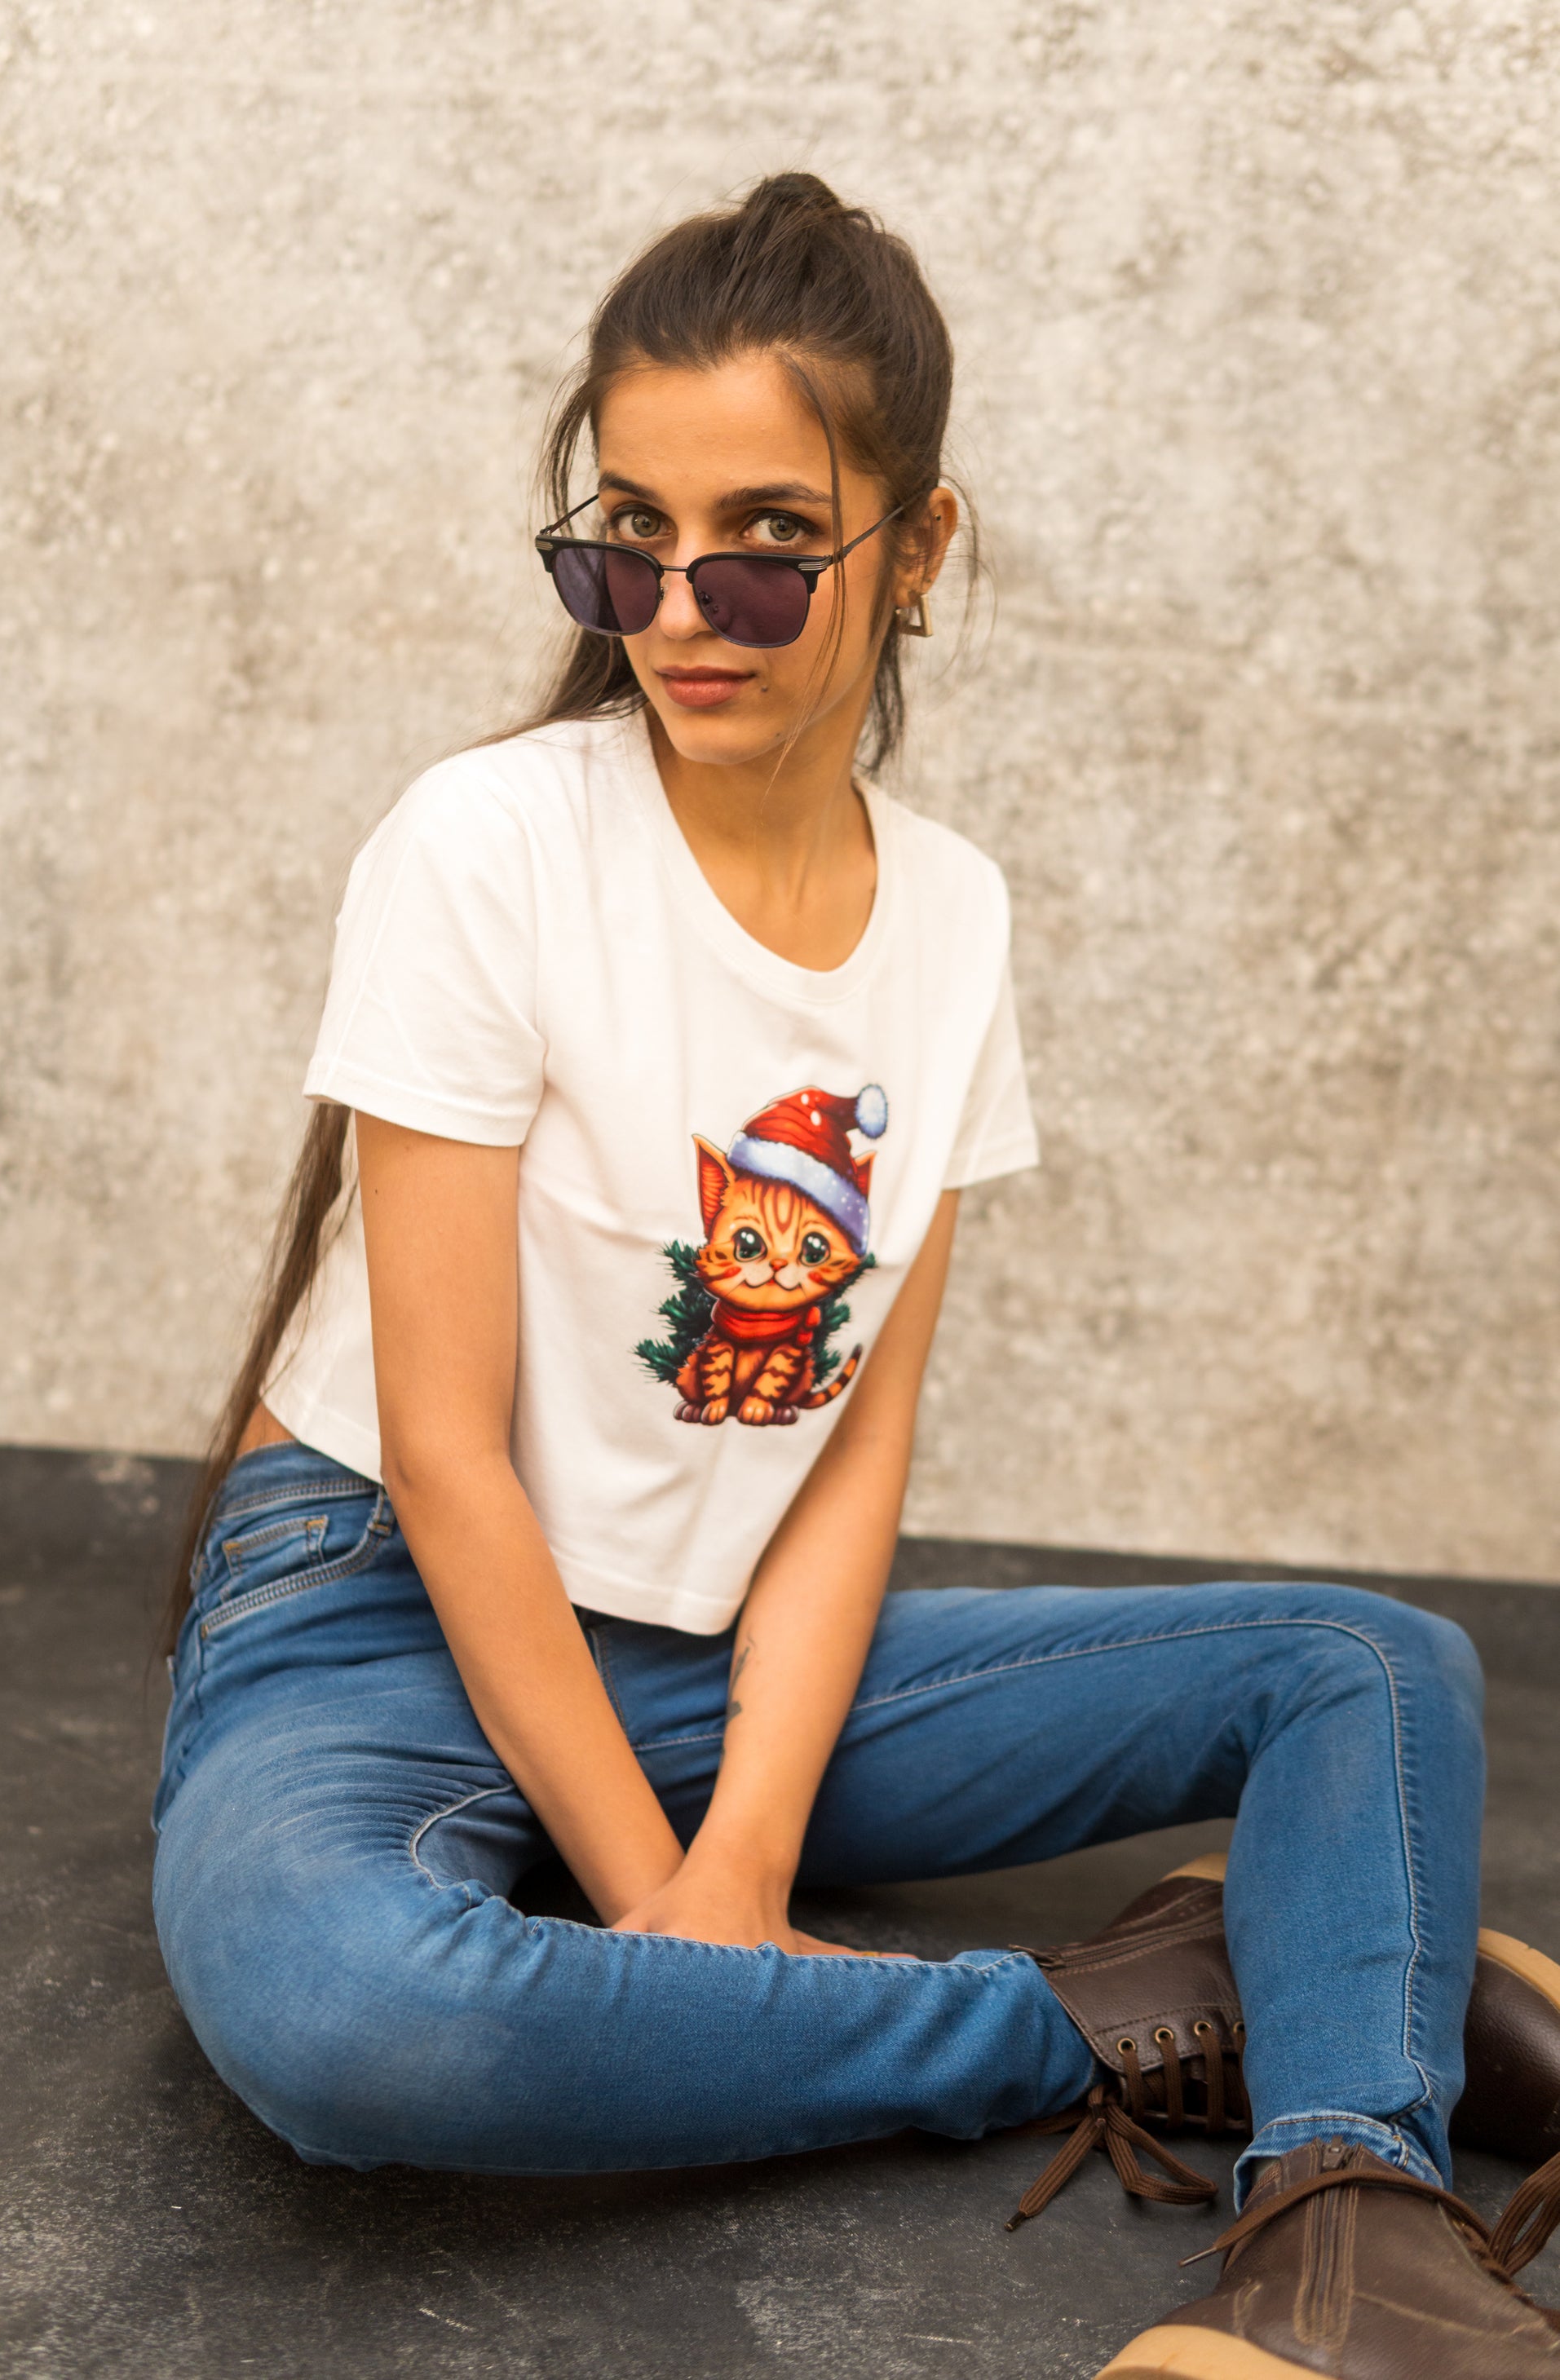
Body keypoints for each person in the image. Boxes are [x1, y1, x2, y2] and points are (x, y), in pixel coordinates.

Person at [152, 175, 1560, 2377]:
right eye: (627, 540)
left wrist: (747, 1855)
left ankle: (1346, 2216)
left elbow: (841, 1458)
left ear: (918, 549)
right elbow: (443, 1453)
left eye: (763, 546)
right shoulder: (490, 845)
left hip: (715, 1638)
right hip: (370, 1616)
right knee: (351, 2022)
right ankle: (1136, 2007)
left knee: (1367, 1670)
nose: (678, 611)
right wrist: (670, 1906)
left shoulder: (954, 921)